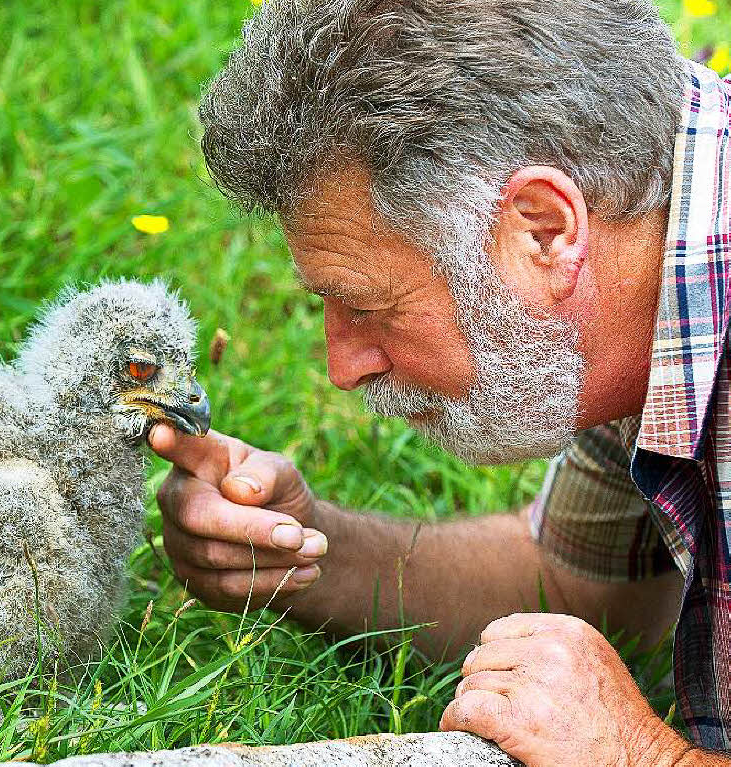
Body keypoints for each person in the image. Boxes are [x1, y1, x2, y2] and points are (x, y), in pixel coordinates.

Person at [148, 0, 731, 764]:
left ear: (544, 230)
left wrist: (639, 753)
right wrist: (305, 551)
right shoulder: (644, 266)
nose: (343, 366)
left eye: (368, 306)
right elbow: (577, 584)